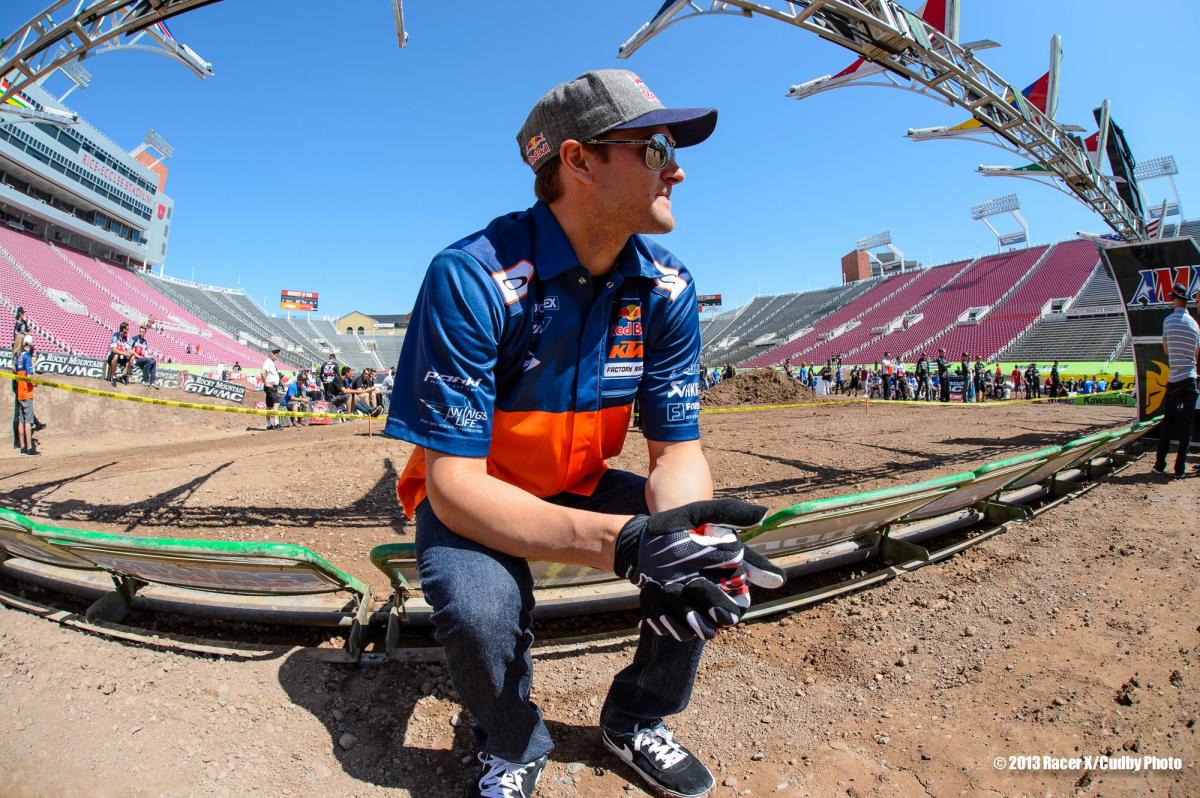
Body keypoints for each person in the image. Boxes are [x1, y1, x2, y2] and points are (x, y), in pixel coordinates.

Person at [382, 69, 783, 798]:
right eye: (657, 148)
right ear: (578, 161)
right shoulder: (470, 276)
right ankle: (510, 745)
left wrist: (680, 535)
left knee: (696, 549)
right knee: (479, 611)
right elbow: (455, 486)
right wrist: (627, 543)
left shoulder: (668, 286)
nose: (678, 169)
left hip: (580, 483)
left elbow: (678, 451)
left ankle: (637, 720)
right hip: (477, 495)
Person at [1153, 286, 1198, 478]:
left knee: (1168, 423)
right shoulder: (1195, 324)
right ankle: (1180, 469)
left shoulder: (1169, 320)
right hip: (1191, 378)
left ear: (1176, 299)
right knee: (1186, 426)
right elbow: (1196, 353)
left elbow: (1165, 350)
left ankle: (1160, 465)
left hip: (1175, 378)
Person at [14, 336, 39, 456]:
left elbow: (14, 369)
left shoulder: (19, 356)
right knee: (28, 421)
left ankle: (23, 448)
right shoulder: (27, 357)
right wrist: (34, 383)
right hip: (27, 392)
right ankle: (30, 449)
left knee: (21, 420)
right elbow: (29, 377)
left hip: (20, 392)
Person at [262, 347, 282, 431]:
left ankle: (269, 424)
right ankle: (276, 424)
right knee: (276, 403)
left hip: (272, 387)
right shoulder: (268, 362)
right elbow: (263, 372)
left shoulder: (270, 362)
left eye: (277, 354)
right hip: (271, 387)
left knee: (269, 406)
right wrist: (265, 382)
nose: (277, 356)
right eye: (275, 354)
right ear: (271, 354)